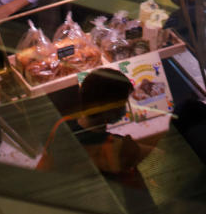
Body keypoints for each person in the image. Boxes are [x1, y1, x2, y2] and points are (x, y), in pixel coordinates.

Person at [40, 68, 153, 212]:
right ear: (107, 109)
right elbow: (158, 155)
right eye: (122, 105)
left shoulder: (62, 125)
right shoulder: (114, 145)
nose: (125, 110)